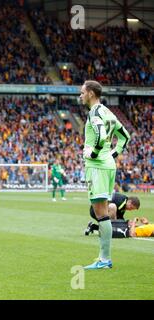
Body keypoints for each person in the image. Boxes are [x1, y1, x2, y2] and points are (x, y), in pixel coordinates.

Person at [79, 80, 130, 270]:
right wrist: (113, 154)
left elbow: (100, 135)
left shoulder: (94, 113)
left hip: (97, 166)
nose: (81, 96)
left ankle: (104, 259)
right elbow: (125, 136)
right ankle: (103, 257)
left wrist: (93, 154)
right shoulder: (109, 112)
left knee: (101, 213)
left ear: (91, 93)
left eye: (82, 92)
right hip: (108, 165)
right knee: (102, 212)